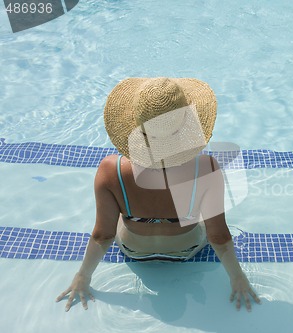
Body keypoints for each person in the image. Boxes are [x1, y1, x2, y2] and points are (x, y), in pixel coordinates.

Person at [56, 77, 260, 312]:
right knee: (198, 211)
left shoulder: (111, 170)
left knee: (127, 216)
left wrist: (83, 276)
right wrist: (237, 277)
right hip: (186, 250)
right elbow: (219, 237)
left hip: (135, 251)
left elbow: (103, 236)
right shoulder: (205, 168)